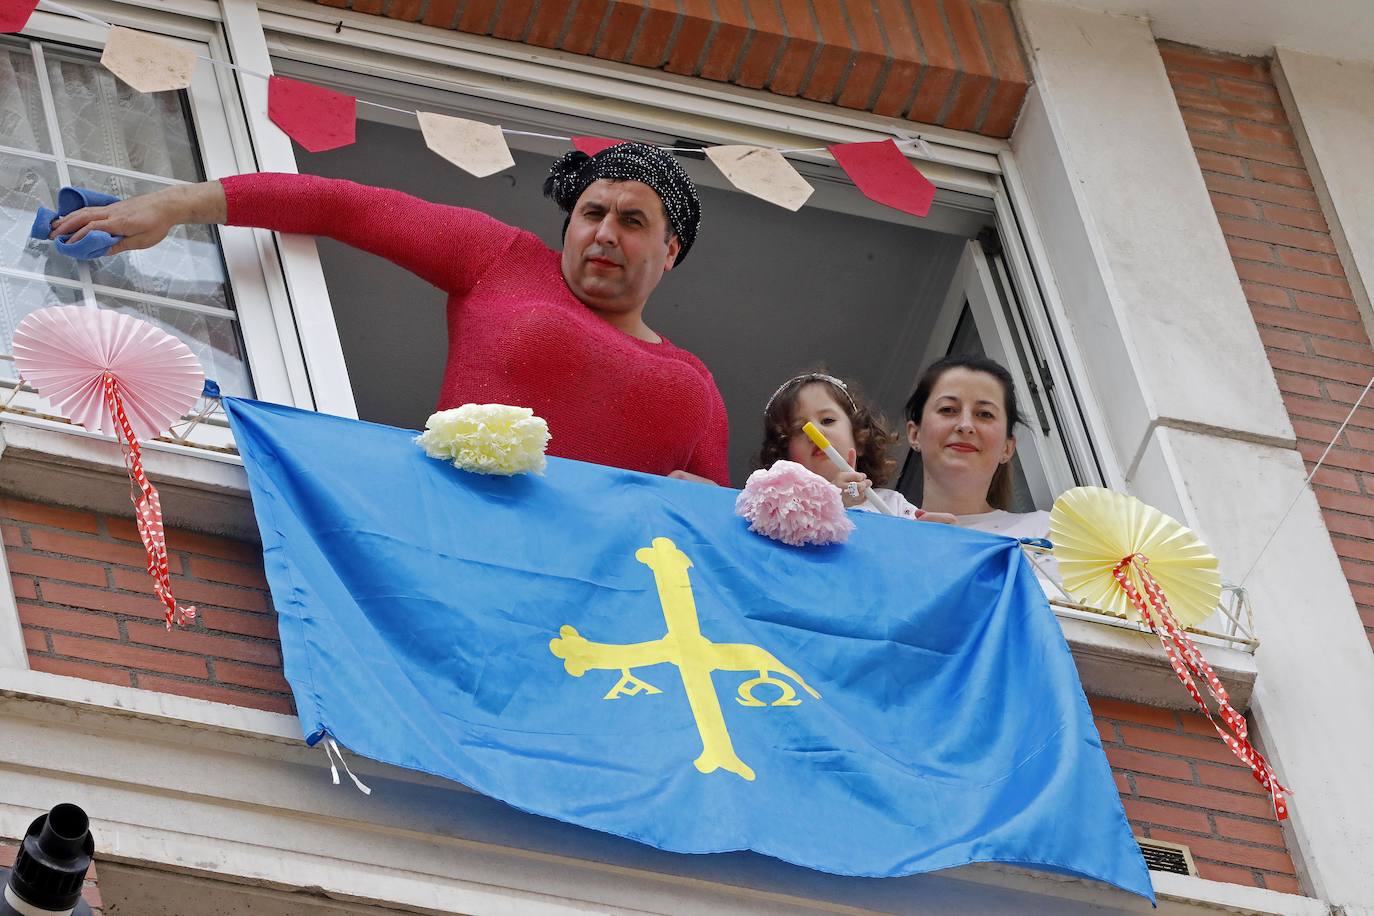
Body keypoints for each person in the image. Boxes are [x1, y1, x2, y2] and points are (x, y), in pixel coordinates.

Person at [49, 143, 731, 485]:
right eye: (592, 213)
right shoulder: (504, 260)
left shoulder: (696, 384)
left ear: (671, 250)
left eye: (632, 220)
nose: (605, 232)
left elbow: (720, 536)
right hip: (458, 542)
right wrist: (174, 206)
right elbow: (345, 205)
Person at [757, 372, 952, 520]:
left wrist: (931, 537)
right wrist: (831, 501)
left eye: (827, 420)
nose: (815, 432)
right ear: (785, 456)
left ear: (859, 439)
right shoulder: (782, 509)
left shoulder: (893, 504)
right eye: (800, 429)